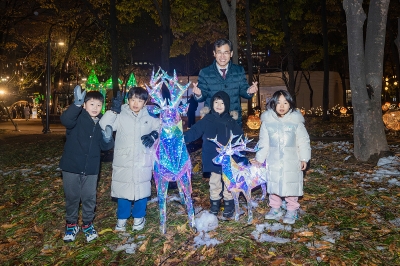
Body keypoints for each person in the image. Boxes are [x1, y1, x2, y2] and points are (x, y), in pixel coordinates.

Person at [99, 87, 160, 232]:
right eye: (133, 99)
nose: (135, 103)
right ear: (128, 100)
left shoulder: (149, 115)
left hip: (142, 160)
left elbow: (161, 127)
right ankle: (122, 218)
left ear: (145, 102)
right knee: (123, 189)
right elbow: (104, 125)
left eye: (140, 100)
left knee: (141, 188)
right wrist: (113, 110)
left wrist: (154, 135)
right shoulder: (121, 113)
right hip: (124, 160)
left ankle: (139, 217)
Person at [59, 86, 114, 243]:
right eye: (91, 104)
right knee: (72, 196)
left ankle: (88, 224)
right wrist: (76, 104)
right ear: (84, 104)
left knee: (89, 197)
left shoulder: (102, 121)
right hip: (71, 166)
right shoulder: (77, 117)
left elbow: (106, 147)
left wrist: (108, 138)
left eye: (98, 105)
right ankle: (71, 224)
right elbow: (66, 120)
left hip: (90, 168)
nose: (95, 108)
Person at [252, 90, 311, 224]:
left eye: (285, 102)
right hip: (274, 160)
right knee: (273, 184)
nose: (282, 106)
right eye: (278, 103)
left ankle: (292, 209)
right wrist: (259, 159)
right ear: (273, 104)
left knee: (291, 184)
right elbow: (264, 143)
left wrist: (304, 158)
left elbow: (303, 141)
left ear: (290, 104)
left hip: (292, 160)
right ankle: (275, 207)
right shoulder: (267, 122)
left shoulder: (296, 122)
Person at [184, 91, 245, 218]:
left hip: (228, 159)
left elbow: (240, 139)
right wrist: (182, 138)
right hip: (213, 158)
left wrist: (240, 155)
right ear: (212, 104)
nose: (218, 105)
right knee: (215, 182)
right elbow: (194, 131)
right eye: (216, 102)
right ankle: (215, 203)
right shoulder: (207, 120)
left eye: (222, 103)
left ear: (227, 105)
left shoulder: (231, 122)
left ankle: (229, 203)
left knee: (229, 183)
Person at [192, 38, 258, 126]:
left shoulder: (238, 70)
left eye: (226, 52)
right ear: (214, 54)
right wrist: (198, 94)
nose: (222, 56)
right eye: (219, 52)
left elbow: (243, 90)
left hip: (233, 120)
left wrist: (249, 91)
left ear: (231, 54)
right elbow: (202, 97)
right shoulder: (205, 72)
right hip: (212, 121)